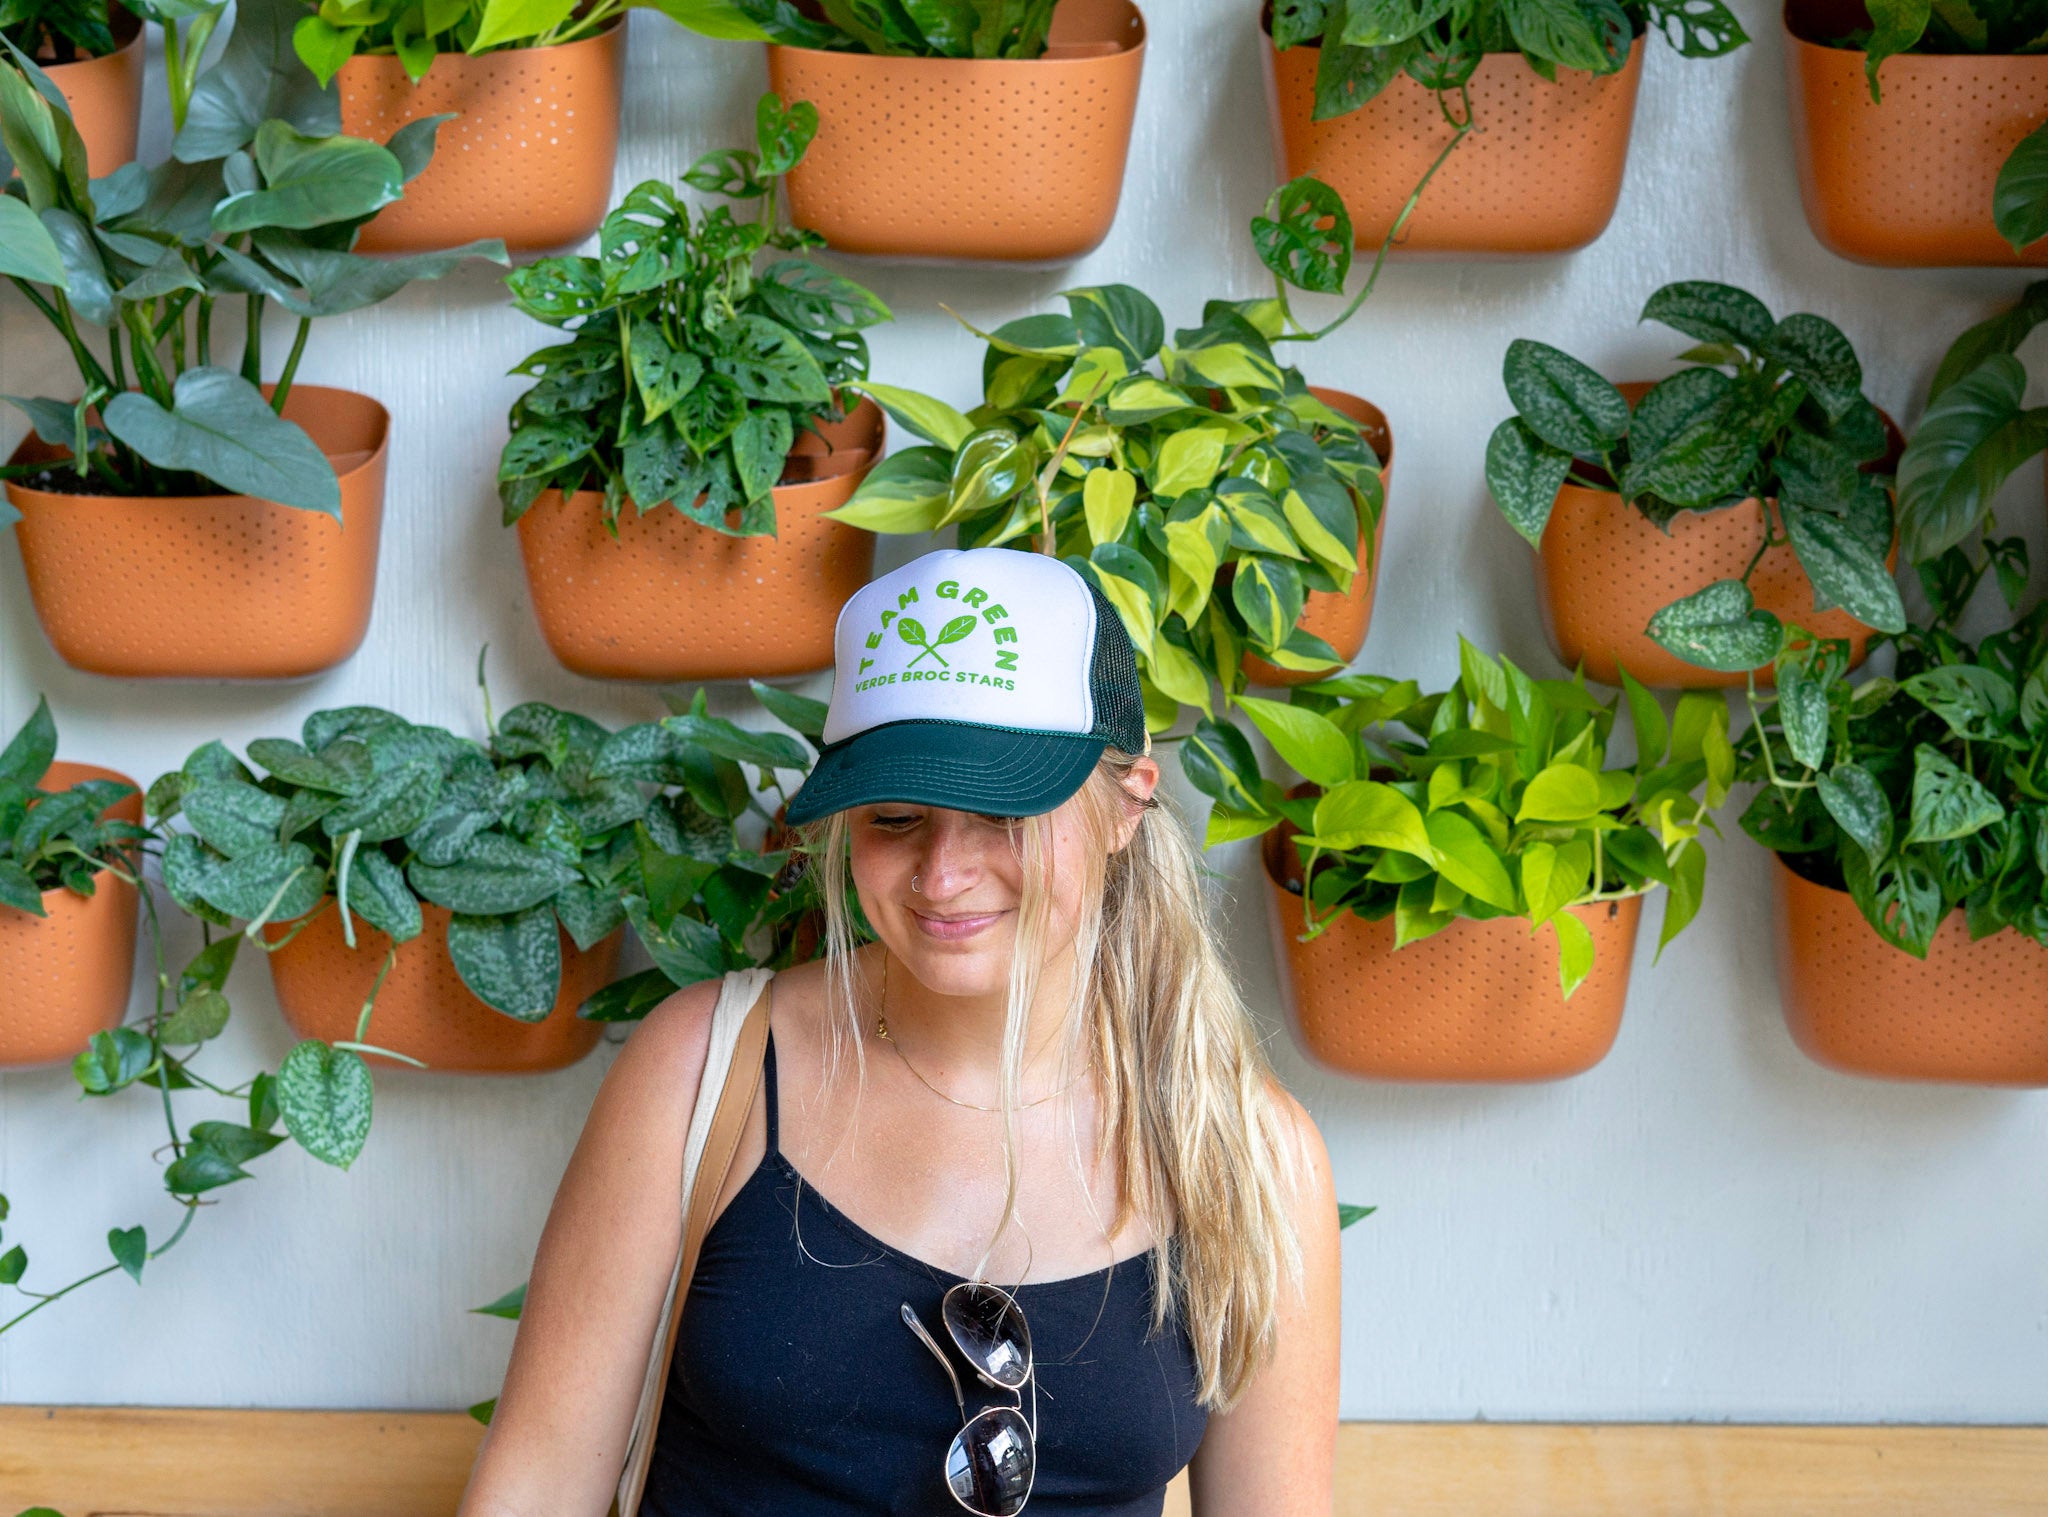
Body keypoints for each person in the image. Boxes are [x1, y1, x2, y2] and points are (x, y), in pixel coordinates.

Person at [461, 548, 1339, 1516]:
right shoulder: (706, 1072)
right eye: (894, 816)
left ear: (1125, 803)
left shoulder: (1246, 1152)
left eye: (1002, 811)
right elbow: (538, 1483)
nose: (941, 874)